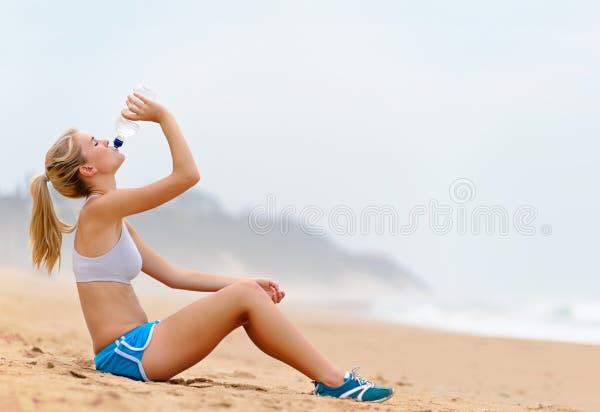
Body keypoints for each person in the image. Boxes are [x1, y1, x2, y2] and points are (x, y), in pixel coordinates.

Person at [27, 91, 393, 403]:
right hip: (128, 353)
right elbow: (187, 176)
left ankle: (328, 380)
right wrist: (163, 117)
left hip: (138, 346)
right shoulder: (101, 210)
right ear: (88, 171)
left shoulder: (111, 217)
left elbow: (173, 275)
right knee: (246, 297)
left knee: (248, 298)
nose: (106, 140)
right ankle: (334, 382)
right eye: (96, 143)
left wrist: (246, 281)